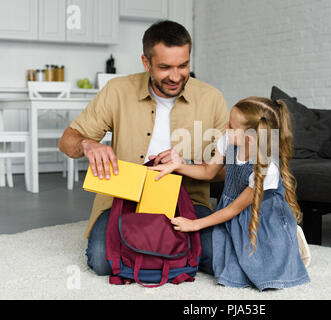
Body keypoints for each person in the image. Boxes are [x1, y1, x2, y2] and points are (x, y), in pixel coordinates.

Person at [58, 20, 229, 276]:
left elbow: (226, 169)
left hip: (188, 200)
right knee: (102, 262)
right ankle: (163, 257)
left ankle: (150, 256)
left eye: (183, 65)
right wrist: (87, 143)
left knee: (219, 258)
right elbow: (67, 141)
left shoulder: (211, 98)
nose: (175, 76)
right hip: (124, 199)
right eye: (165, 67)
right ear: (146, 62)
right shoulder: (118, 90)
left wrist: (186, 165)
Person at [148, 96, 310, 291]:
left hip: (257, 220)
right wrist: (177, 166)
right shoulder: (229, 142)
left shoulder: (267, 167)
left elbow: (234, 209)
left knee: (247, 269)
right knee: (208, 252)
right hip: (231, 214)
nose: (226, 127)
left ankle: (287, 240)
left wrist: (194, 224)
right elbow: (208, 172)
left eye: (232, 126)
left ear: (250, 137)